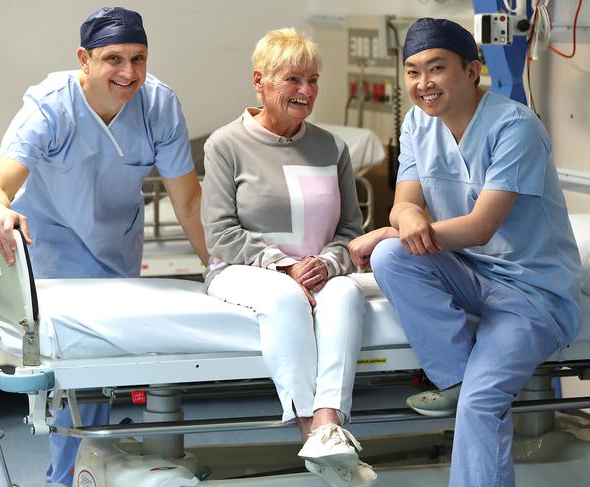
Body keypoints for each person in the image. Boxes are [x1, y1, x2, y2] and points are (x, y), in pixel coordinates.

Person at [0, 7, 208, 486]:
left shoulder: (159, 105)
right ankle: (64, 477)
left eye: (138, 58)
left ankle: (83, 468)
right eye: (113, 59)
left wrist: (220, 270)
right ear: (84, 59)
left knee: (100, 381)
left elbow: (188, 202)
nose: (128, 73)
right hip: (50, 248)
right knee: (76, 380)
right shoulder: (49, 106)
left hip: (114, 250)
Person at [348, 17, 582, 487]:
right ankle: (455, 376)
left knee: (482, 402)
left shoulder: (516, 128)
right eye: (412, 72)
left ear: (473, 71)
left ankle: (468, 389)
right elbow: (405, 202)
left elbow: (479, 228)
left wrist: (388, 231)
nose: (422, 84)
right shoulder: (418, 122)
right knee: (393, 258)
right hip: (467, 273)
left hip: (529, 291)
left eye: (436, 69)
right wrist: (403, 219)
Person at [201, 28, 376, 487]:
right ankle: (308, 426)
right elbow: (220, 233)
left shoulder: (330, 147)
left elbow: (349, 231)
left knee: (344, 296)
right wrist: (285, 266)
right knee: (285, 299)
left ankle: (326, 422)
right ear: (259, 81)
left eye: (313, 80)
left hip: (319, 270)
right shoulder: (226, 145)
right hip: (243, 270)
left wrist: (331, 263)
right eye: (293, 79)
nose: (306, 91)